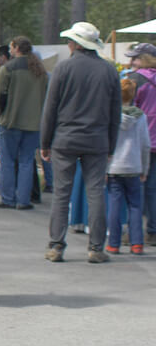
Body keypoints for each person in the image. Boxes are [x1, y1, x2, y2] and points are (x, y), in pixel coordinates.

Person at [40, 21, 122, 264]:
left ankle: (56, 246)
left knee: (61, 194)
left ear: (75, 44)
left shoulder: (63, 69)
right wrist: (111, 146)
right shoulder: (109, 71)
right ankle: (96, 248)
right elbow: (115, 113)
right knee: (96, 192)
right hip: (97, 140)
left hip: (65, 138)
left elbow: (50, 109)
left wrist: (45, 142)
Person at [0, 36, 48, 210]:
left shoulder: (8, 68)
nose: (9, 50)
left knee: (7, 162)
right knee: (26, 161)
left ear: (16, 48)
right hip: (33, 123)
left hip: (10, 122)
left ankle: (8, 198)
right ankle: (24, 200)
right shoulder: (40, 71)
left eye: (11, 47)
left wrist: (1, 115)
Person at [106, 77, 149, 254]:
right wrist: (144, 168)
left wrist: (104, 168)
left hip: (115, 166)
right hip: (133, 165)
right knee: (135, 205)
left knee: (114, 204)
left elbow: (106, 141)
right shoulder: (140, 117)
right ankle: (137, 242)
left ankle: (113, 243)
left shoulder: (111, 115)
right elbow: (145, 144)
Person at [123, 43, 156, 247]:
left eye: (135, 59)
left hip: (139, 139)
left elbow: (127, 109)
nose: (131, 62)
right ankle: (153, 230)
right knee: (153, 187)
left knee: (134, 188)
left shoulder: (135, 80)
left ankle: (132, 232)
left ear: (143, 59)